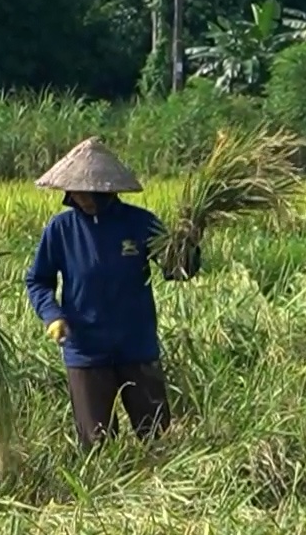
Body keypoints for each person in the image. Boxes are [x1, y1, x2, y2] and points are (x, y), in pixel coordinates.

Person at [25, 137, 200, 448]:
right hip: (85, 349)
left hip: (136, 344)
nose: (84, 197)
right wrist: (53, 315)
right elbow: (38, 280)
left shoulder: (140, 223)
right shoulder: (60, 230)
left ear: (109, 190)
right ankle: (104, 493)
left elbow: (176, 270)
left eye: (92, 191)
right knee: (95, 442)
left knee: (157, 434)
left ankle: (155, 486)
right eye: (77, 191)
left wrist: (188, 244)